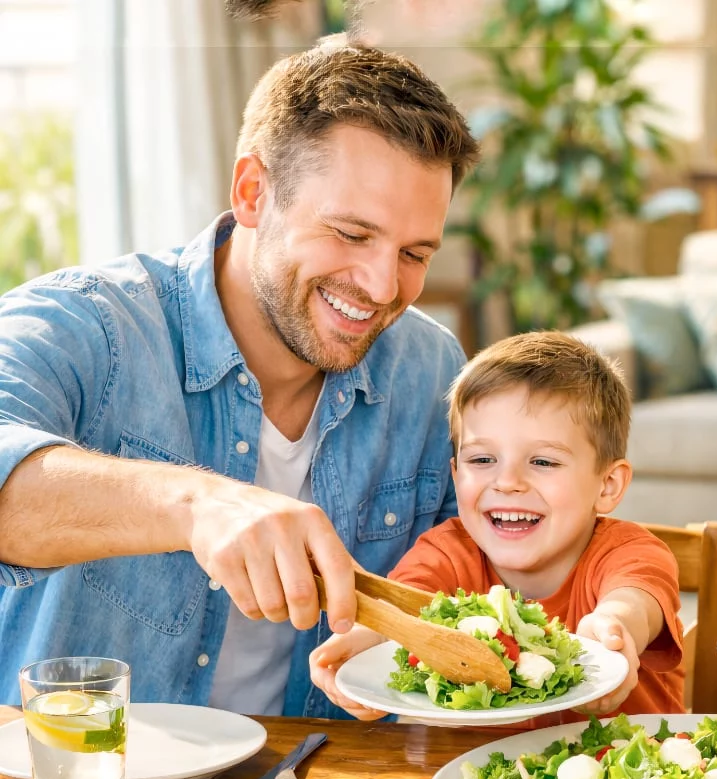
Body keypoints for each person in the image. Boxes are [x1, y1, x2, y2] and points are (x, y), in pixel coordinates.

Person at [0, 38, 479, 718]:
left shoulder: (430, 370)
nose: (380, 286)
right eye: (349, 233)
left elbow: (486, 572)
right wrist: (199, 507)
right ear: (254, 192)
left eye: (413, 253)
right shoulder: (84, 326)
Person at [310, 331, 686, 726]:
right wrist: (368, 640)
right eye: (483, 459)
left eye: (543, 462)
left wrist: (614, 626)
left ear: (607, 486)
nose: (507, 482)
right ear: (455, 475)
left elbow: (635, 601)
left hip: (625, 773)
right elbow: (407, 610)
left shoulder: (630, 552)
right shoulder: (446, 553)